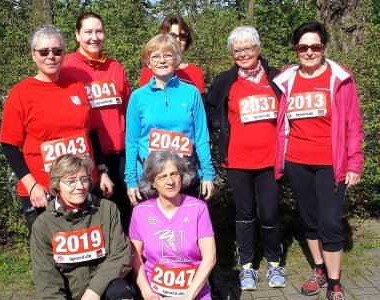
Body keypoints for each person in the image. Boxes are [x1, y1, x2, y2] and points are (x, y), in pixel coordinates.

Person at [273, 22, 363, 300]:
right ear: (296, 49)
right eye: (303, 47)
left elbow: (353, 124)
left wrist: (354, 162)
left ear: (324, 48)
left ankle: (334, 283)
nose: (309, 52)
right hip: (298, 162)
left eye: (315, 46)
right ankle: (319, 269)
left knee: (331, 220)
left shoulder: (340, 79)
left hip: (331, 163)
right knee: (310, 219)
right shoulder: (287, 79)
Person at [0, 24, 113, 233]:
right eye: (44, 51)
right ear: (33, 55)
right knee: (53, 257)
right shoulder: (20, 93)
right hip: (43, 191)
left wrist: (102, 171)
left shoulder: (76, 86)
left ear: (63, 54)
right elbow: (9, 146)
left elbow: (92, 133)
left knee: (91, 251)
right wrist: (32, 185)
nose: (50, 56)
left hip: (83, 186)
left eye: (57, 51)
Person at [206, 26, 285, 290]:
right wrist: (220, 131)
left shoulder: (278, 78)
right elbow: (210, 109)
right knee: (244, 213)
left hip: (270, 159)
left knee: (270, 213)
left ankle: (275, 263)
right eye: (237, 50)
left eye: (248, 48)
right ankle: (247, 266)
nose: (243, 54)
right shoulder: (224, 81)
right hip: (238, 160)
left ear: (259, 48)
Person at [61, 12, 132, 231]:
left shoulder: (115, 67)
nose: (94, 37)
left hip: (119, 155)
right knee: (92, 217)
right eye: (88, 32)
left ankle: (127, 263)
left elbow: (128, 109)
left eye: (99, 31)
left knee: (124, 214)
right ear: (77, 35)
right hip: (86, 157)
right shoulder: (67, 67)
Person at [125, 33, 215, 205]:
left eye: (167, 55)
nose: (162, 61)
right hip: (150, 178)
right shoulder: (138, 97)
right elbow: (132, 141)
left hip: (186, 176)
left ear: (176, 59)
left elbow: (202, 137)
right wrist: (130, 180)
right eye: (156, 57)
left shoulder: (192, 93)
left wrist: (208, 174)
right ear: (148, 62)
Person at [30, 154, 133, 300]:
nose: (80, 186)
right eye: (71, 181)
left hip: (103, 290)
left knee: (121, 290)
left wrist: (94, 291)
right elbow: (46, 280)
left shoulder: (107, 209)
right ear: (57, 184)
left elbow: (121, 254)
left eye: (84, 179)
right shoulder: (43, 224)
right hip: (67, 294)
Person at [129, 150, 216, 300]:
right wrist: (146, 292)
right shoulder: (140, 212)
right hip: (154, 293)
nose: (170, 181)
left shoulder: (198, 208)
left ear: (181, 177)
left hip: (193, 293)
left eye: (174, 174)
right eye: (162, 177)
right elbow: (135, 258)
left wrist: (187, 297)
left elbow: (210, 257)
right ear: (152, 182)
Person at [138, 15, 205, 99]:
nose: (177, 40)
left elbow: (199, 106)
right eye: (172, 35)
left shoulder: (195, 72)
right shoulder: (150, 69)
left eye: (182, 36)